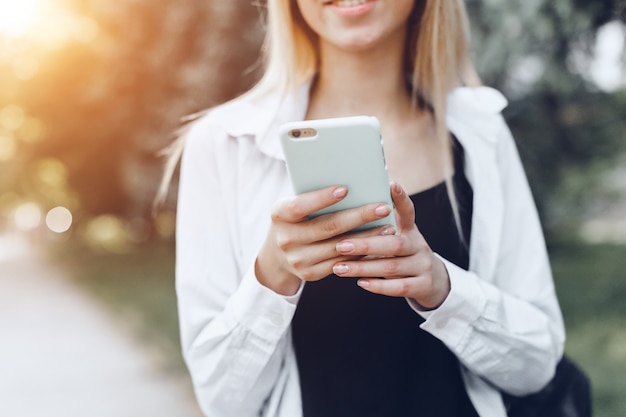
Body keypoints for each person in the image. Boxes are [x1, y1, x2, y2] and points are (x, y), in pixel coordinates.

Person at [171, 0, 566, 416]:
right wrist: (272, 276)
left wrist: (443, 288)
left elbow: (537, 366)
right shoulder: (225, 145)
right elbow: (222, 402)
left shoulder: (480, 133)